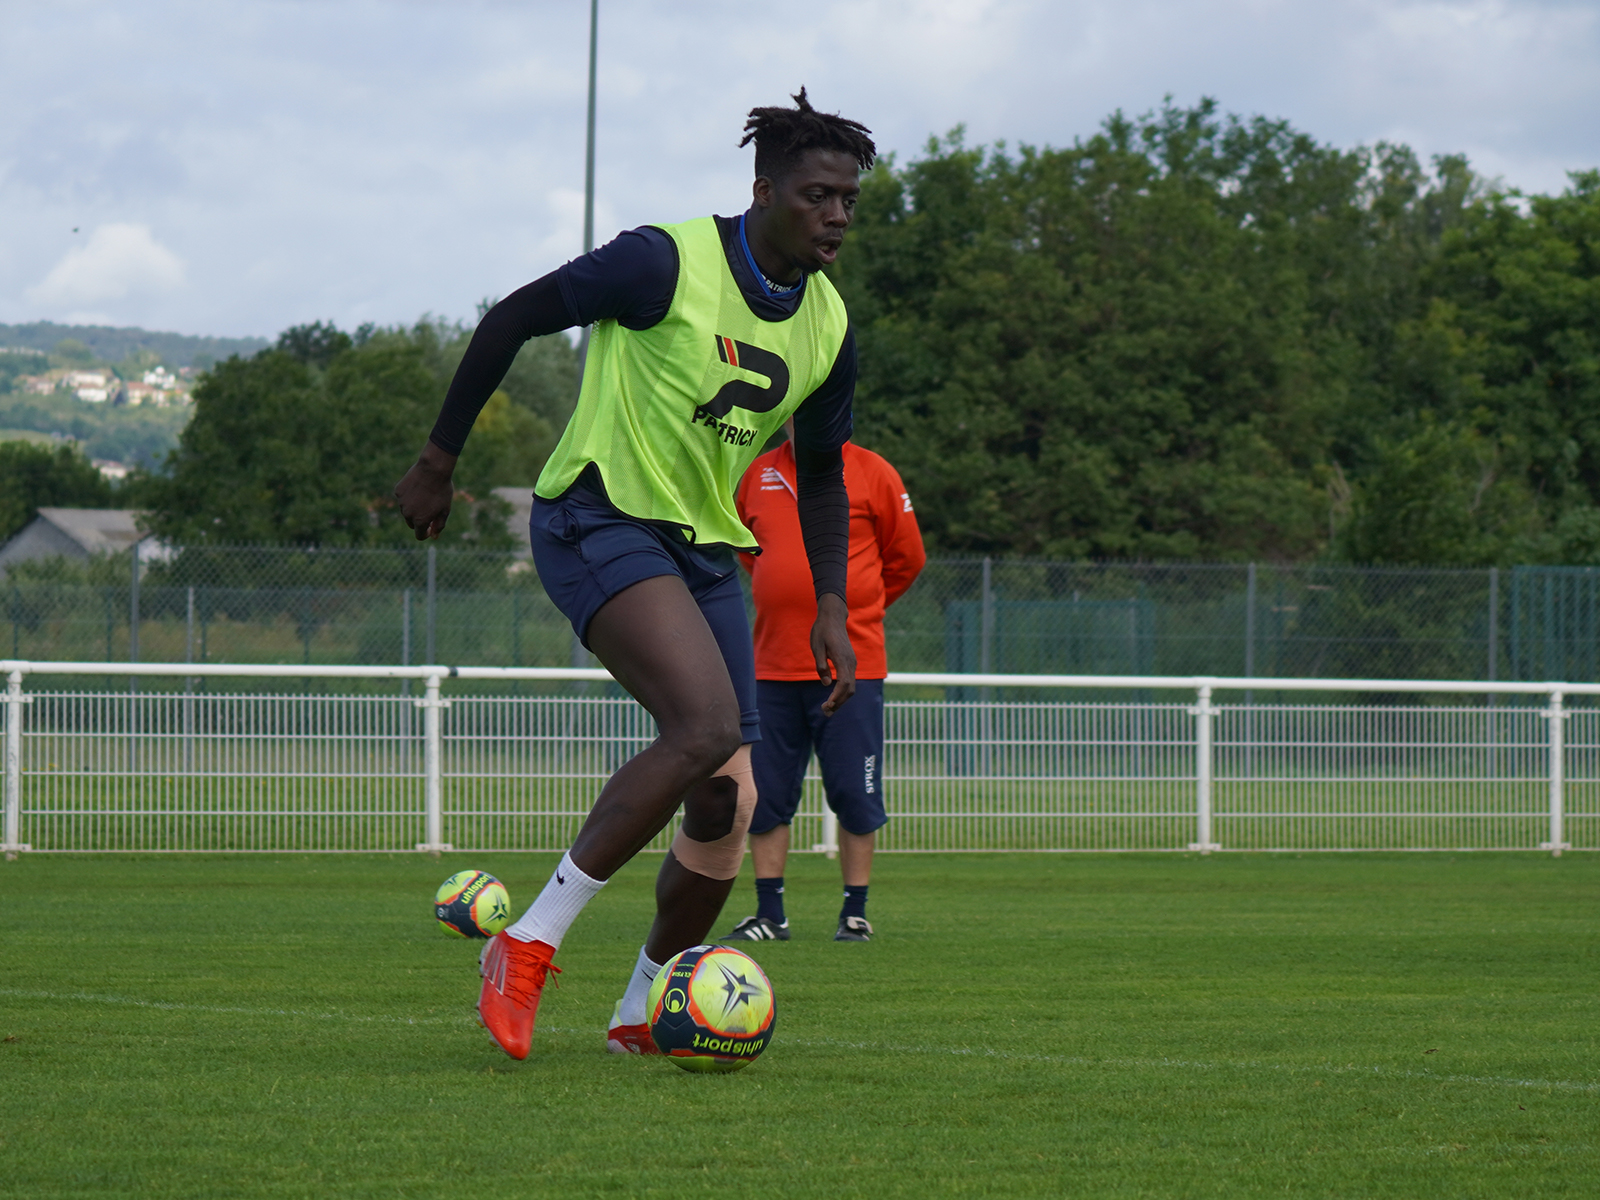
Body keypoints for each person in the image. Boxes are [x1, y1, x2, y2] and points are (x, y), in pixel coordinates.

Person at [393, 89, 875, 1061]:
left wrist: (830, 602)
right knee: (700, 730)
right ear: (763, 190)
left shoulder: (827, 325)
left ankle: (641, 1009)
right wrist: (439, 460)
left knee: (725, 803)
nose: (835, 215)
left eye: (848, 201)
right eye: (817, 195)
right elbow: (512, 318)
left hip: (701, 551)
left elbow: (822, 477)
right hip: (595, 517)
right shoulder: (663, 261)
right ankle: (524, 943)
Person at [722, 424, 924, 942]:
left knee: (856, 791)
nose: (800, 417)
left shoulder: (873, 471)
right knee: (764, 796)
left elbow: (906, 560)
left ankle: (854, 914)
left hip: (852, 669)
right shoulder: (756, 472)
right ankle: (771, 915)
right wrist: (783, 593)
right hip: (769, 666)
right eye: (795, 407)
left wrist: (858, 616)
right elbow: (747, 550)